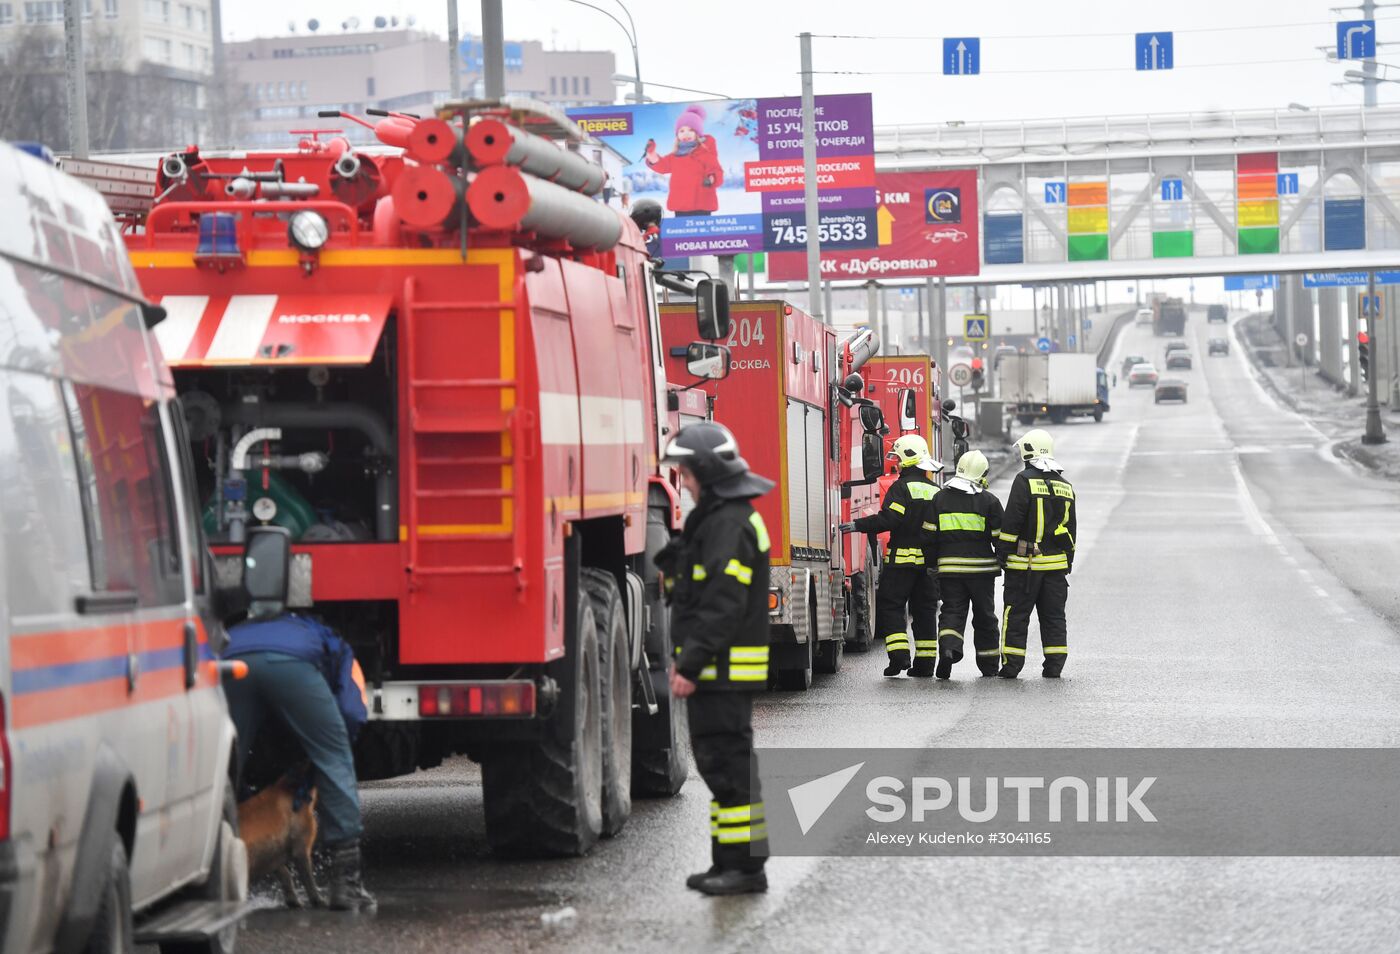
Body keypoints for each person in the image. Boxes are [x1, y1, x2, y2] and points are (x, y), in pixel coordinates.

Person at [655, 422, 773, 896]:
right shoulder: (722, 517)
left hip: (721, 672)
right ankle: (730, 864)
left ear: (704, 470)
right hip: (720, 672)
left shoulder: (728, 522)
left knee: (728, 772)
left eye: (684, 472)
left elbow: (723, 602)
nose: (681, 481)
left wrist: (689, 664)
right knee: (724, 771)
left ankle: (745, 870)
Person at [223, 610, 377, 912]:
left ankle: (203, 870)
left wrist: (243, 798)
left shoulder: (240, 628)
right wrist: (324, 755)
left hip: (232, 661)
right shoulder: (335, 644)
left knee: (222, 764)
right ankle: (346, 884)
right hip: (291, 666)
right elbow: (349, 712)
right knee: (334, 756)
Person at [841, 434, 943, 678]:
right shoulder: (935, 491)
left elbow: (891, 519)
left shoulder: (900, 488)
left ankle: (899, 657)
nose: (896, 462)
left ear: (907, 460)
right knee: (925, 612)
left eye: (898, 458)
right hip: (929, 567)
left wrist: (858, 525)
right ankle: (925, 665)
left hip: (902, 563)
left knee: (892, 606)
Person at [995, 428, 1077, 679]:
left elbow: (1012, 522)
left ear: (1028, 451)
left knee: (1016, 616)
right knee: (1054, 618)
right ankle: (1054, 666)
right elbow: (1071, 529)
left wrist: (1003, 554)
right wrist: (1067, 562)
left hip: (1025, 567)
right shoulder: (1066, 486)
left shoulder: (1024, 481)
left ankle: (1012, 666)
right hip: (1056, 568)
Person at [927, 450, 1004, 679]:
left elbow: (929, 536)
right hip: (981, 572)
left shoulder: (940, 498)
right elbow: (1001, 537)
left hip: (950, 570)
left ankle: (949, 649)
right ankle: (989, 665)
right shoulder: (989, 501)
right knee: (985, 616)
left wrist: (933, 565)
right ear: (981, 473)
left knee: (952, 611)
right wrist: (1004, 561)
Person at [644, 104, 723, 215]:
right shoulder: (675, 156)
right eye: (681, 131)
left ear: (698, 133)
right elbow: (662, 165)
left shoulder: (705, 153)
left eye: (691, 130)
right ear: (677, 135)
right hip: (681, 206)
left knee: (702, 232)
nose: (686, 133)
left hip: (702, 204)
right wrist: (651, 154)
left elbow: (716, 170)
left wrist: (711, 179)